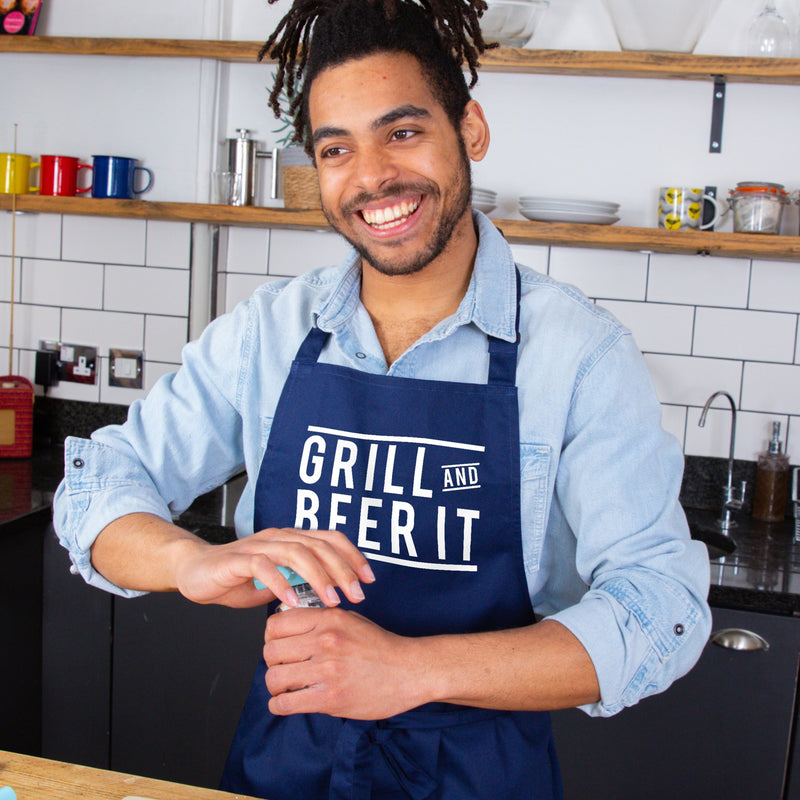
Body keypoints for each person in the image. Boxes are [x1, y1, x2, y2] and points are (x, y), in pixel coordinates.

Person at [53, 0, 711, 797]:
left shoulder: (577, 355)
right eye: (337, 149)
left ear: (469, 129)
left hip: (480, 776)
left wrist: (407, 670)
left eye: (402, 132)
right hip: (285, 767)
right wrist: (190, 562)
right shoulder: (270, 332)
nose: (372, 178)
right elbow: (97, 483)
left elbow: (659, 612)